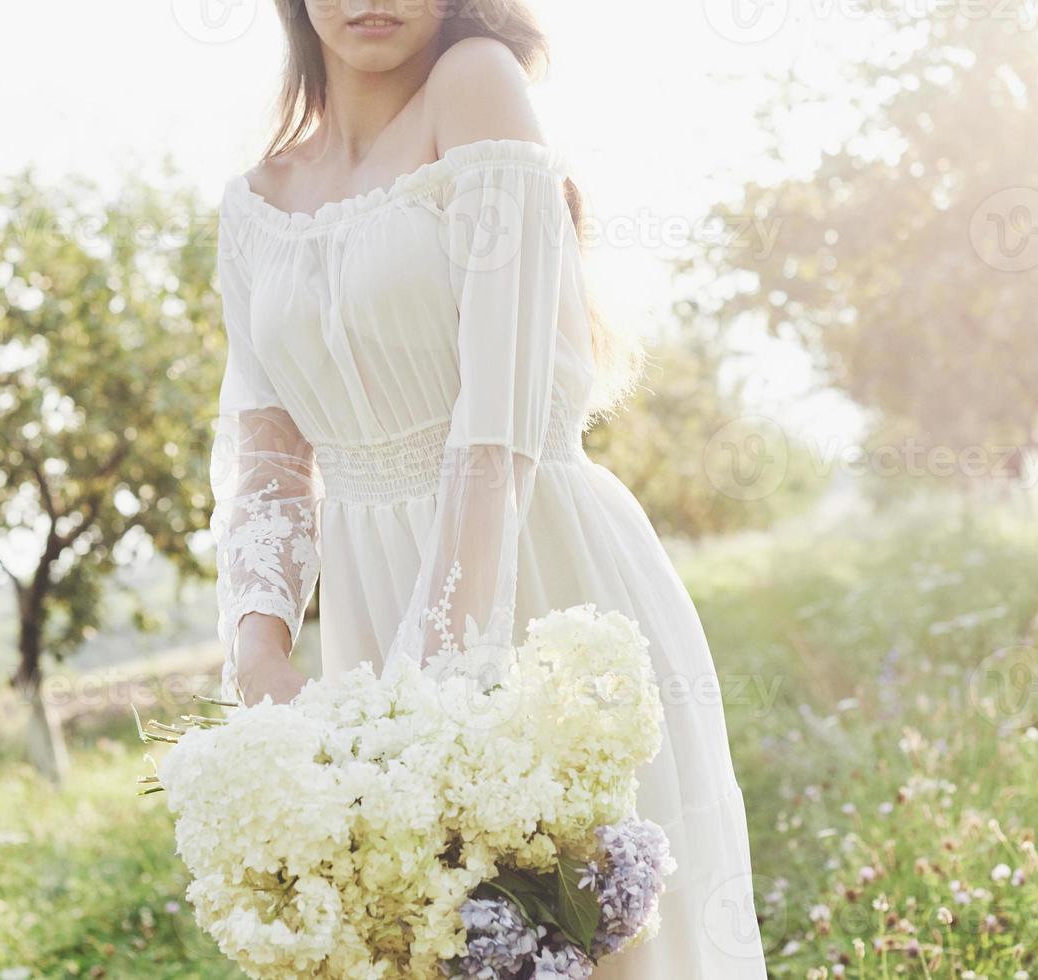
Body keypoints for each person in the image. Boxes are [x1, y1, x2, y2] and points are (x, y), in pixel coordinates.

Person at [209, 1, 769, 975]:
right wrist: (258, 646)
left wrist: (435, 689)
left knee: (608, 942)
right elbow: (267, 455)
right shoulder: (254, 200)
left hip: (537, 579)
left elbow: (496, 414)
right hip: (373, 627)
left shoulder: (471, 82)